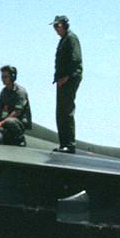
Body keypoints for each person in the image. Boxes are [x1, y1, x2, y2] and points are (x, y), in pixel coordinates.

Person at [51, 15, 82, 153]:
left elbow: (75, 60)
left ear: (64, 25)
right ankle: (64, 143)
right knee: (60, 112)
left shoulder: (71, 38)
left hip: (69, 79)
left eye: (58, 25)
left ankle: (69, 145)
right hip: (62, 80)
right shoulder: (63, 40)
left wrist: (66, 77)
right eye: (54, 26)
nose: (56, 29)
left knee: (66, 111)